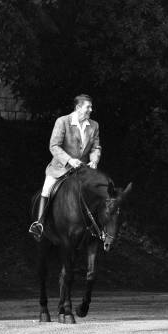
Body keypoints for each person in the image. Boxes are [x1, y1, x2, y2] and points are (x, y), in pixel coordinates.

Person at [28, 94, 101, 241]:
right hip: (60, 167)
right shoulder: (62, 121)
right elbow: (54, 146)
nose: (91, 110)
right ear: (78, 107)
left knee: (98, 192)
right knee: (46, 189)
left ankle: (97, 228)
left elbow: (96, 147)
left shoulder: (94, 125)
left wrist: (94, 161)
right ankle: (39, 225)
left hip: (83, 170)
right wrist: (69, 160)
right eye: (88, 107)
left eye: (91, 107)